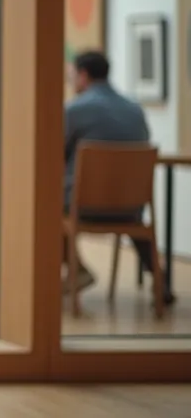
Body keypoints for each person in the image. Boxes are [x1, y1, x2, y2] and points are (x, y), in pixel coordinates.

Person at [62, 50, 168, 302]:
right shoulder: (135, 109)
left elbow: (54, 155)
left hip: (84, 206)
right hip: (131, 207)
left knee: (44, 206)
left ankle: (78, 270)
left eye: (72, 75)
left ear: (83, 75)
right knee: (128, 210)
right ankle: (160, 279)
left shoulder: (74, 110)